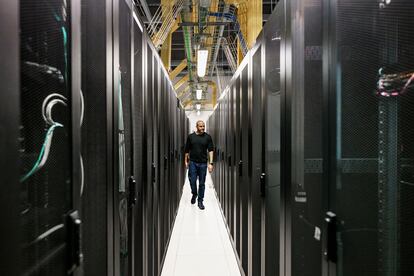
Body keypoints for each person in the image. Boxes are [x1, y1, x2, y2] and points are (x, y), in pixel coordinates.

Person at [184, 120, 214, 210]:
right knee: (192, 180)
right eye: (201, 126)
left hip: (203, 163)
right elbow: (186, 150)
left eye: (203, 126)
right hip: (193, 162)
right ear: (196, 127)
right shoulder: (191, 137)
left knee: (202, 183)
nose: (203, 128)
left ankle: (200, 201)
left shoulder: (208, 137)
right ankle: (194, 193)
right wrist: (186, 161)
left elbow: (211, 151)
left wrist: (211, 163)